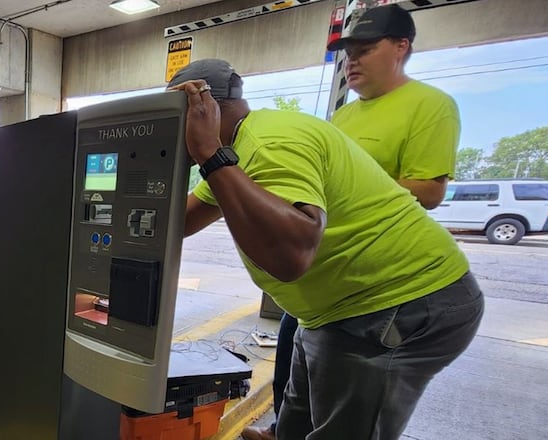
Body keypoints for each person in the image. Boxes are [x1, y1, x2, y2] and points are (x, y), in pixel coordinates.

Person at [167, 58, 483, 440]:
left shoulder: (266, 144)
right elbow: (179, 221)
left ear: (200, 110)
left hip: (397, 303)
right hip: (335, 310)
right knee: (296, 419)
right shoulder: (242, 149)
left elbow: (290, 258)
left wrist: (208, 154)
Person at [242, 4, 462, 439]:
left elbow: (430, 190)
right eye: (348, 52)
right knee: (294, 350)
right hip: (325, 272)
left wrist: (354, 187)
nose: (352, 61)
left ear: (401, 48)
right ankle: (286, 428)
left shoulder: (430, 105)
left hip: (376, 275)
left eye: (365, 49)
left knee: (351, 392)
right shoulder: (343, 115)